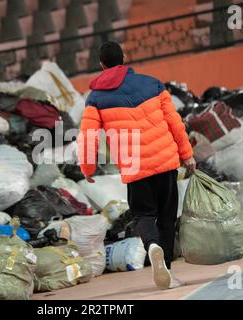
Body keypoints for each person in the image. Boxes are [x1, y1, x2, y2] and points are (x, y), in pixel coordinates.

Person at [78, 41, 196, 290]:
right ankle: (167, 270)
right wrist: (187, 155)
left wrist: (88, 168)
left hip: (135, 168)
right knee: (166, 218)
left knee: (143, 215)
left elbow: (88, 136)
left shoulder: (96, 97)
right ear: (124, 58)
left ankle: (151, 245)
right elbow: (175, 123)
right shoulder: (152, 83)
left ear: (101, 65)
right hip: (165, 163)